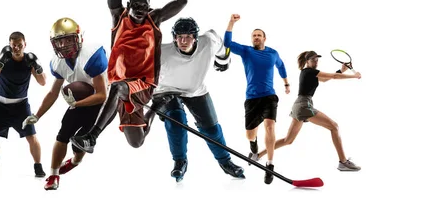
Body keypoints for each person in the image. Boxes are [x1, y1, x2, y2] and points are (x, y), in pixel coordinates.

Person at [70, 0, 187, 153]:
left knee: (118, 88)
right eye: (137, 5)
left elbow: (182, 1)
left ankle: (92, 137)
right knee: (136, 142)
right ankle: (156, 109)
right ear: (129, 4)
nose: (141, 9)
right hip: (121, 84)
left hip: (143, 83)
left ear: (149, 6)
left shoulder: (154, 19)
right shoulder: (119, 17)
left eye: (145, 6)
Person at [150, 17, 245, 182]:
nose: (183, 40)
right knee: (176, 121)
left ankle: (225, 162)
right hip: (166, 91)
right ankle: (180, 161)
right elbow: (136, 67)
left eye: (187, 36)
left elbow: (224, 51)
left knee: (211, 130)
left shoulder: (208, 41)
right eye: (179, 36)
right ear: (174, 37)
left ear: (195, 37)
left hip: (195, 90)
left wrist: (223, 61)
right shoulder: (161, 52)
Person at [22, 17, 109, 190]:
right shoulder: (58, 62)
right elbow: (53, 92)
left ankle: (75, 160)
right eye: (60, 41)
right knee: (63, 134)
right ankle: (53, 175)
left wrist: (77, 103)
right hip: (79, 101)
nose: (64, 45)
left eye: (68, 40)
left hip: (99, 103)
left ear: (78, 38)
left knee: (80, 142)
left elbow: (102, 95)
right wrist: (36, 115)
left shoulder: (92, 55)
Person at [255, 51, 362, 171]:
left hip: (299, 106)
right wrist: (354, 76)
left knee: (288, 140)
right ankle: (343, 162)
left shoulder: (308, 73)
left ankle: (257, 155)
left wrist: (342, 70)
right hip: (304, 105)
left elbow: (326, 79)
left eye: (317, 59)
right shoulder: (309, 71)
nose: (316, 61)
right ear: (307, 61)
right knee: (334, 127)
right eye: (313, 59)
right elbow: (333, 76)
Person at [223, 13, 290, 185]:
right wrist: (231, 22)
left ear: (265, 38)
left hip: (269, 96)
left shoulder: (273, 53)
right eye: (254, 35)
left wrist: (286, 84)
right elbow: (227, 44)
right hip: (252, 98)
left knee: (270, 126)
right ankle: (254, 147)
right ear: (252, 39)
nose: (256, 37)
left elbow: (281, 67)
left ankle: (269, 165)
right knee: (250, 135)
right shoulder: (246, 51)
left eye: (259, 35)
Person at [0, 31, 47, 177]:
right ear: (10, 45)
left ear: (25, 44)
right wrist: (0, 63)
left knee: (31, 137)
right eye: (14, 45)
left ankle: (38, 165)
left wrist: (38, 67)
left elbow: (43, 82)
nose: (17, 48)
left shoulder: (29, 60)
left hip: (21, 105)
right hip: (0, 104)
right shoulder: (2, 56)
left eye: (20, 45)